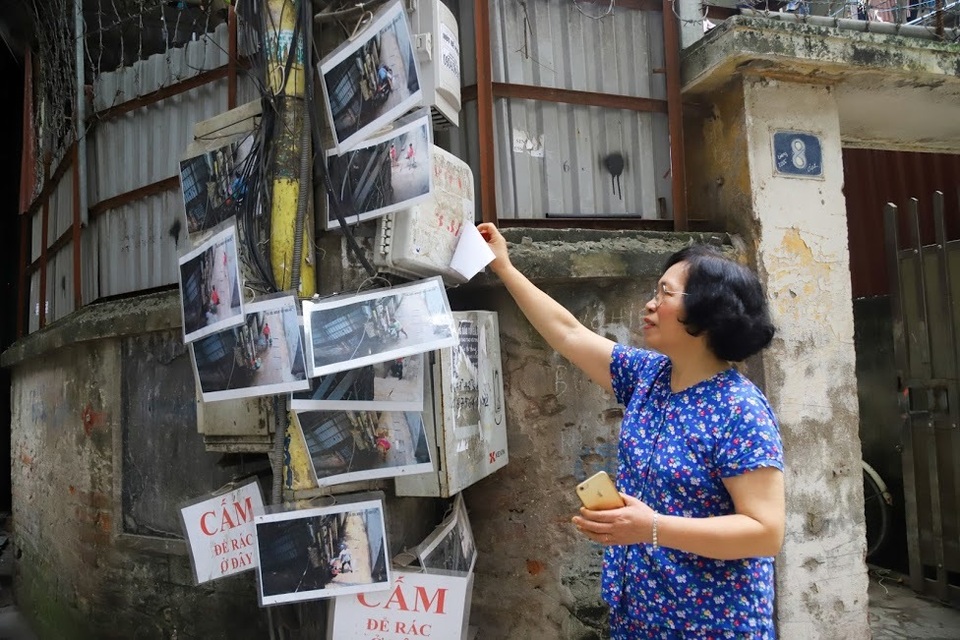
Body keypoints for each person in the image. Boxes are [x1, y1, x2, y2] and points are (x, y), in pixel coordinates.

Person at [477, 223, 785, 638]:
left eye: (664, 293)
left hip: (711, 625)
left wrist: (652, 527)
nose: (650, 304)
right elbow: (569, 333)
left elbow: (765, 532)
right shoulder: (650, 376)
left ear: (709, 312)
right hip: (637, 616)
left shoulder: (740, 410)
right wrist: (504, 266)